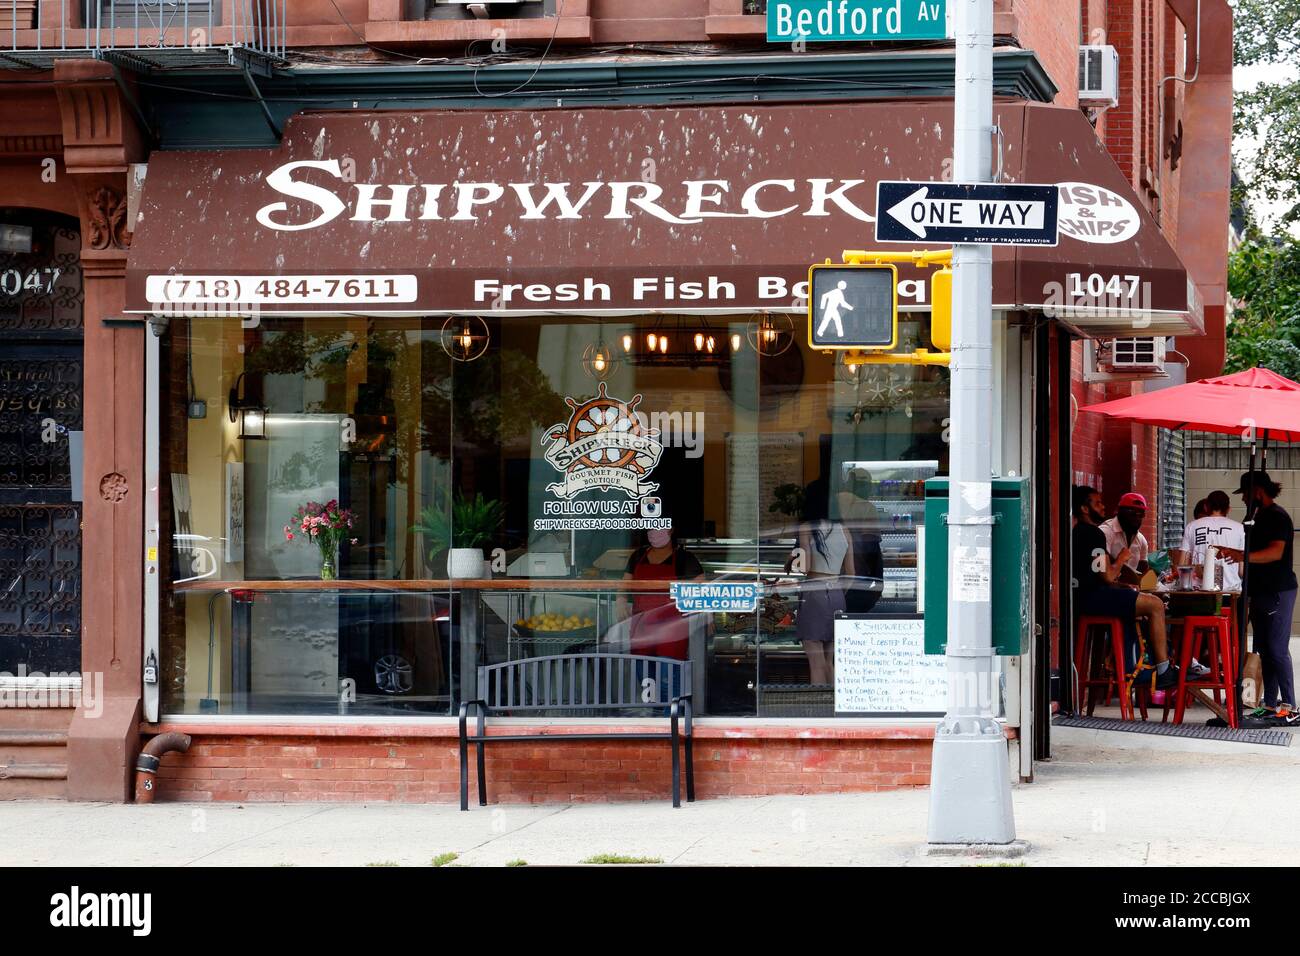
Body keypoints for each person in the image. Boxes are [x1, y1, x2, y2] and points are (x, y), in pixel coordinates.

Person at [1073, 486, 1180, 690]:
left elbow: (1100, 576)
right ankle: (1164, 670)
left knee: (1140, 603)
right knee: (1156, 605)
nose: (1103, 506)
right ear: (1084, 509)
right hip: (1093, 599)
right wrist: (1121, 559)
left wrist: (1124, 585)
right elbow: (1107, 575)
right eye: (1097, 503)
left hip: (1084, 597)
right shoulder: (1097, 534)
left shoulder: (1077, 532)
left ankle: (1138, 666)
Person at [1238, 471, 1298, 709]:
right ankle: (1270, 702)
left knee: (1277, 648)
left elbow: (1275, 552)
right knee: (1263, 649)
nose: (1243, 498)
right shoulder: (1256, 516)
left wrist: (1243, 556)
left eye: (1245, 493)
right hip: (1259, 591)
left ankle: (1290, 705)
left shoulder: (1277, 517)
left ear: (1257, 492)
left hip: (1278, 591)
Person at [796, 481, 855, 686]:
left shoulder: (807, 528)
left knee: (815, 660)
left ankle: (818, 708)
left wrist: (792, 558)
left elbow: (804, 567)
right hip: (837, 594)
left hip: (815, 592)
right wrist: (837, 591)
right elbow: (851, 573)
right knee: (829, 660)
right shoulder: (844, 530)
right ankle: (833, 709)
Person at [618, 526, 704, 661]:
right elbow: (625, 583)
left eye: (660, 526)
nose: (654, 531)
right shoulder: (639, 555)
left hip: (672, 627)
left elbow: (701, 588)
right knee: (644, 675)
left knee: (668, 675)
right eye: (652, 527)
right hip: (641, 625)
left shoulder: (684, 558)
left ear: (671, 530)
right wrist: (620, 600)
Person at [1172, 490, 1246, 592]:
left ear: (1206, 507)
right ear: (1229, 509)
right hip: (1231, 593)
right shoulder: (1240, 528)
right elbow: (1242, 571)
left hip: (1198, 593)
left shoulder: (1192, 526)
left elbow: (1182, 566)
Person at [1100, 492, 1151, 584]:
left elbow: (1142, 569)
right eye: (1132, 513)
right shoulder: (1105, 532)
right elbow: (1100, 573)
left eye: (1141, 514)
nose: (1137, 518)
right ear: (1118, 511)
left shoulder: (1141, 539)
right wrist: (1120, 559)